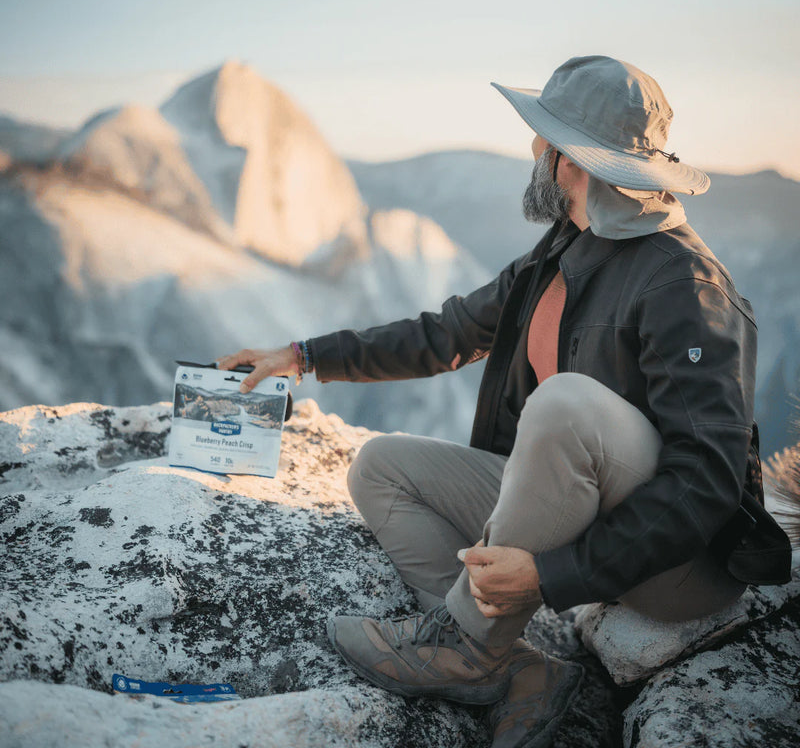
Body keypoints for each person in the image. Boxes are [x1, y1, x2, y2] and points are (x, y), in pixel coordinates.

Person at [218, 56, 778, 748]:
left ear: (570, 162)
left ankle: (463, 644)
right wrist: (303, 357)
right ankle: (513, 668)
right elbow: (447, 333)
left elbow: (707, 483)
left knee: (566, 403)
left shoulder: (683, 286)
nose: (532, 151)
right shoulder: (566, 249)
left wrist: (551, 574)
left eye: (543, 141)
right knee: (380, 467)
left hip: (675, 570)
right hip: (579, 513)